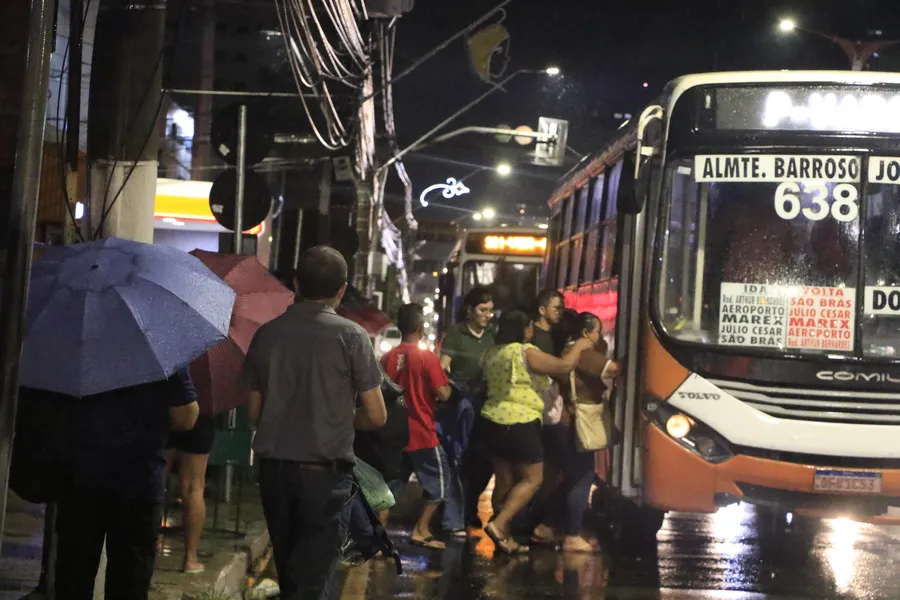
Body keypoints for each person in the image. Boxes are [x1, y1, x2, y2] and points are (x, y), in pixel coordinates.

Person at [244, 245, 386, 600]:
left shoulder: (267, 334)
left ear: (295, 283)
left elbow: (253, 413)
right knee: (311, 576)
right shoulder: (352, 336)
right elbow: (377, 414)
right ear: (341, 289)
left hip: (274, 472)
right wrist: (337, 416)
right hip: (324, 474)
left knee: (291, 568)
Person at [50, 370, 199, 599]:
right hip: (138, 482)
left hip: (82, 478)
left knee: (73, 579)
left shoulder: (79, 345)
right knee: (130, 582)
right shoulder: (161, 348)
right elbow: (186, 416)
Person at [479, 309, 592, 554]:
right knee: (533, 479)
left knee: (505, 480)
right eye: (529, 325)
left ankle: (504, 536)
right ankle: (498, 524)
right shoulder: (525, 352)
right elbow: (563, 366)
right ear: (522, 328)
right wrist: (580, 346)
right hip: (521, 422)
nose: (532, 330)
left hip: (491, 421)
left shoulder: (491, 353)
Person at [533, 312, 621, 552]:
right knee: (583, 477)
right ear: (585, 333)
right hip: (573, 422)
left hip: (561, 422)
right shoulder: (583, 353)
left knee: (567, 477)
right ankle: (571, 534)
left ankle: (546, 526)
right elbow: (613, 369)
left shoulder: (568, 350)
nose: (599, 336)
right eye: (596, 332)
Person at [383, 303, 455, 548]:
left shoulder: (387, 358)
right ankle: (421, 529)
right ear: (419, 327)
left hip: (394, 434)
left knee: (390, 489)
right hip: (422, 432)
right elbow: (443, 393)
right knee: (441, 483)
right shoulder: (426, 357)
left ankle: (375, 536)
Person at [438, 287, 495, 530]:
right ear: (471, 311)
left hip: (485, 405)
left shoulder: (493, 335)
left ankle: (470, 504)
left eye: (491, 311)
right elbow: (443, 367)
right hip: (461, 405)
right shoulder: (456, 334)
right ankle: (454, 513)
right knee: (458, 459)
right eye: (483, 311)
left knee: (483, 462)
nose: (488, 316)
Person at [163, 404, 215, 573]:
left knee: (156, 482)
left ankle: (147, 543)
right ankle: (190, 559)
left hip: (166, 415)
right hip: (200, 416)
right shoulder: (206, 379)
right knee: (194, 488)